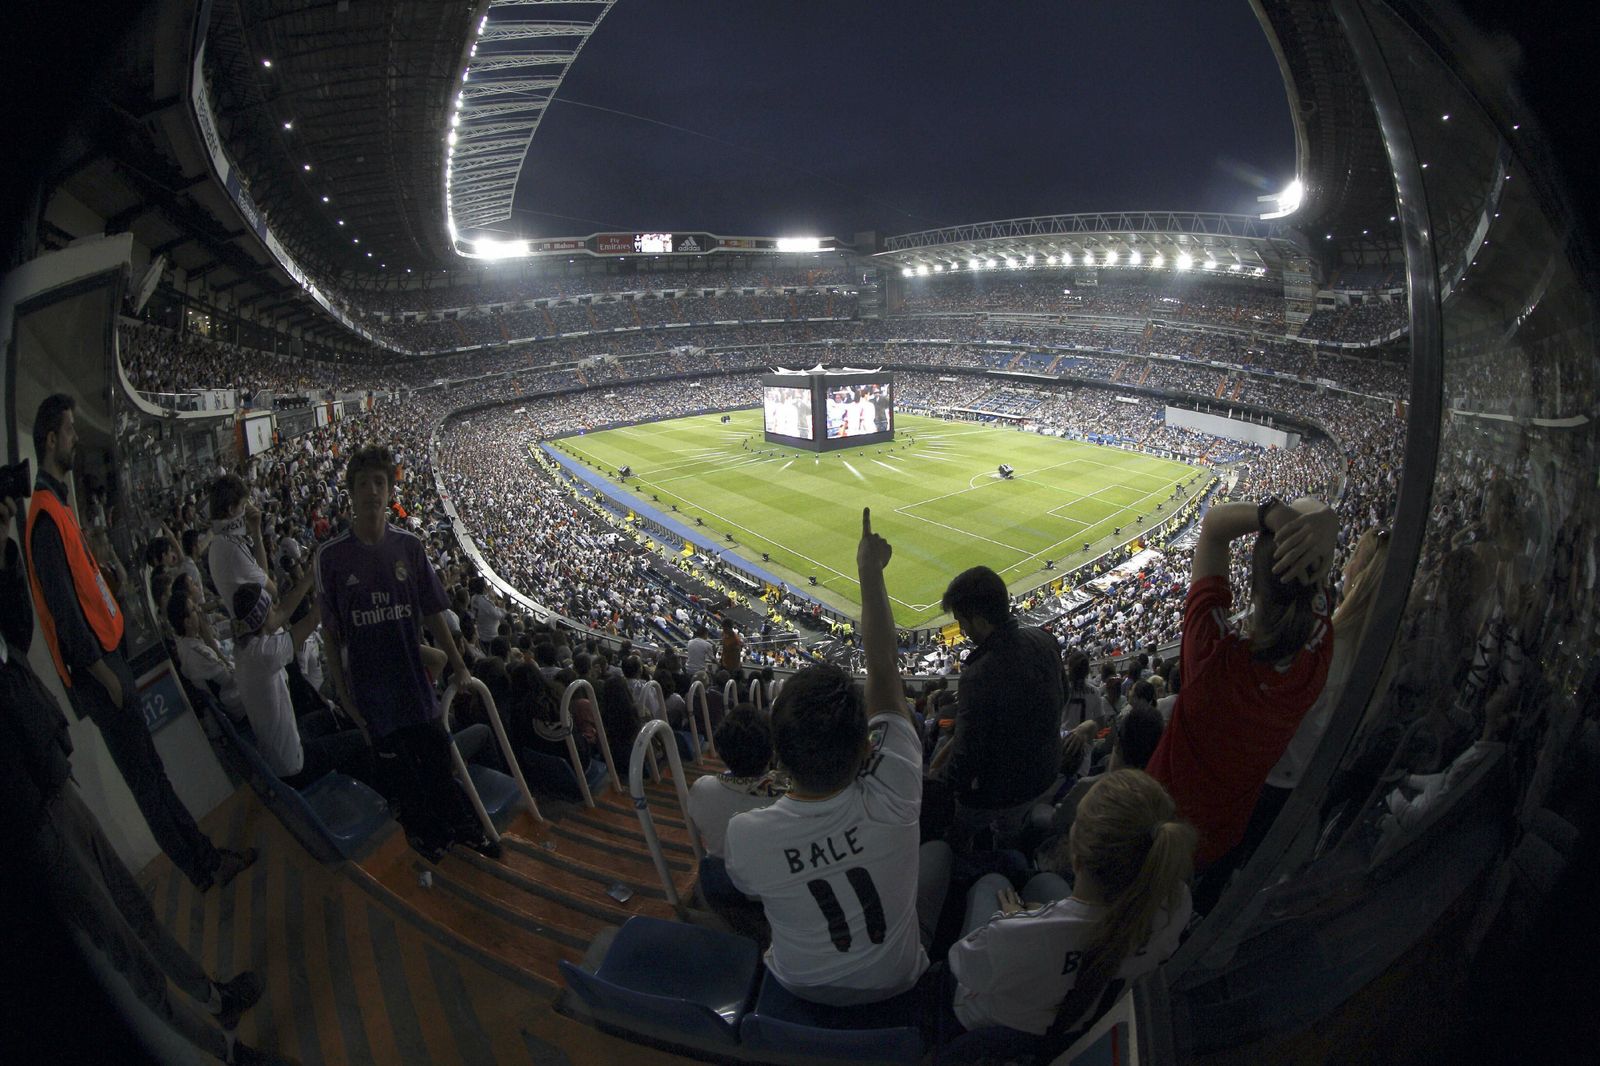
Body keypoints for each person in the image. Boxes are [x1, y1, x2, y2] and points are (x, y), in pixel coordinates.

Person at [2, 492, 285, 1066]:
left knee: (135, 913)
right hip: (27, 807)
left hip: (48, 777)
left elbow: (15, 631)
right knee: (123, 948)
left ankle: (213, 998)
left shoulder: (24, 535)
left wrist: (6, 547)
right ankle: (225, 1053)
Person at [25, 394, 253, 891]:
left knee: (155, 776)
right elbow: (65, 614)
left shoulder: (54, 506)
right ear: (50, 439)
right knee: (148, 785)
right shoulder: (44, 517)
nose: (75, 438)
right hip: (101, 673)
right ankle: (203, 870)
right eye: (69, 430)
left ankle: (206, 858)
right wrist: (105, 675)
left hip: (110, 664)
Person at [724, 509, 951, 1006]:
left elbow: (747, 892)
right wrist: (870, 570)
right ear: (867, 746)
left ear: (777, 759)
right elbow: (884, 671)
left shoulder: (746, 835)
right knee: (939, 855)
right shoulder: (895, 787)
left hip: (796, 988)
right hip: (899, 984)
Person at [314, 444, 496, 863]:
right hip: (371, 696)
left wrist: (459, 667)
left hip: (415, 685)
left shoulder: (410, 548)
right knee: (402, 776)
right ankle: (428, 839)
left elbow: (433, 614)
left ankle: (467, 831)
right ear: (352, 492)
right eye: (364, 484)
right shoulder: (332, 558)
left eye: (380, 483)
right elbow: (331, 636)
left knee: (438, 762)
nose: (372, 491)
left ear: (389, 490)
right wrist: (346, 700)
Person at [1147, 495, 1337, 878]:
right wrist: (1327, 522)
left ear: (1252, 584)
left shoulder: (1212, 656)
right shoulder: (1316, 655)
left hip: (1150, 822)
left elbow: (1214, 525)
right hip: (1222, 841)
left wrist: (1273, 513)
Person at [947, 770, 1194, 1043]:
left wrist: (1013, 921)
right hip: (1084, 1022)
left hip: (995, 1029)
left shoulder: (1019, 936)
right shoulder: (1177, 903)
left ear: (1076, 858)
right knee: (1043, 881)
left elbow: (963, 966)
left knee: (992, 882)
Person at [930, 565, 1063, 849]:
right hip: (1046, 773)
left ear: (979, 620)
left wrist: (937, 789)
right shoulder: (1044, 641)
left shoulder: (978, 675)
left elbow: (966, 757)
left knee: (955, 836)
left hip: (1002, 794)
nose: (963, 631)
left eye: (962, 622)